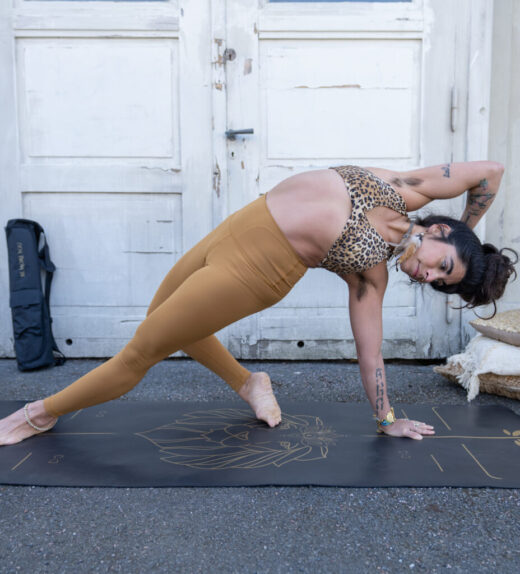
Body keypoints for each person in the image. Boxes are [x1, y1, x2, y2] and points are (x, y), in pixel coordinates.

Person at [0, 161, 517, 446]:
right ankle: (249, 383)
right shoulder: (408, 188)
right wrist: (468, 235)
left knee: (142, 352)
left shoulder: (370, 275)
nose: (427, 275)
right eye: (442, 264)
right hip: (240, 225)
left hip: (254, 272)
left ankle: (37, 414)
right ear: (440, 230)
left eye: (435, 281)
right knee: (162, 322)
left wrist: (386, 419)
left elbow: (372, 356)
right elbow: (488, 172)